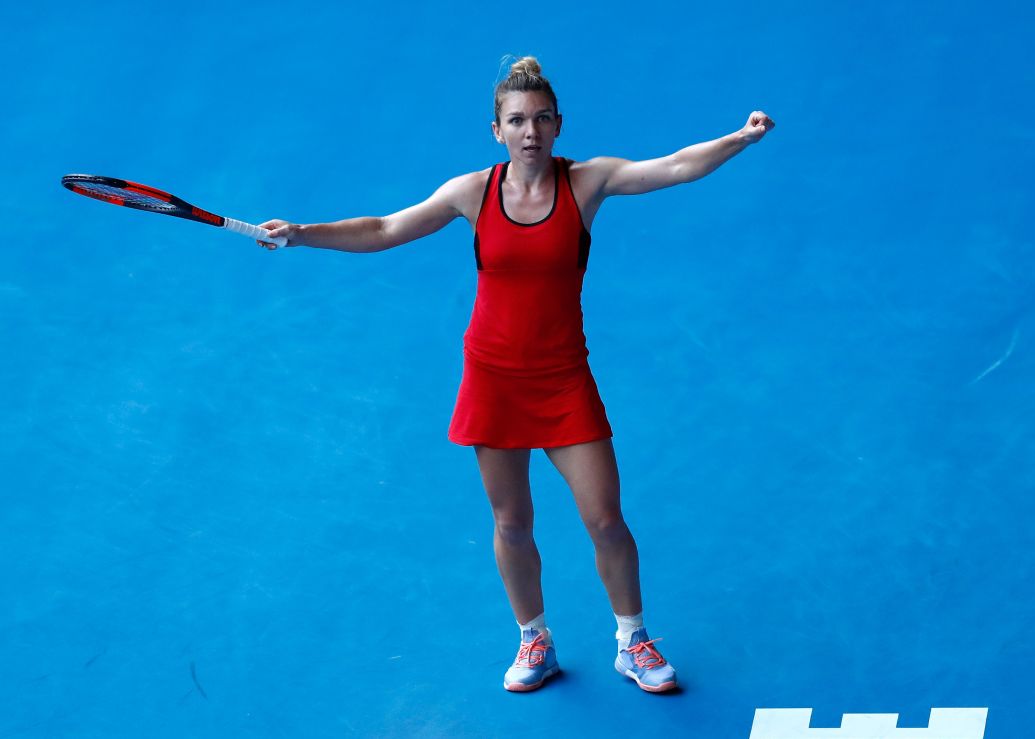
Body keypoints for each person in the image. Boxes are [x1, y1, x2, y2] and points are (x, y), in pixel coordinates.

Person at [257, 56, 774, 693]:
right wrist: (304, 233)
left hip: (562, 378)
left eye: (541, 119)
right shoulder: (470, 193)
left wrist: (739, 139)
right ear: (496, 130)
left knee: (605, 519)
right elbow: (386, 227)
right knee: (511, 522)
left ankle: (632, 640)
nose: (530, 131)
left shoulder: (588, 183)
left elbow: (673, 166)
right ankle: (535, 640)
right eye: (516, 121)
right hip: (493, 378)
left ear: (558, 125)